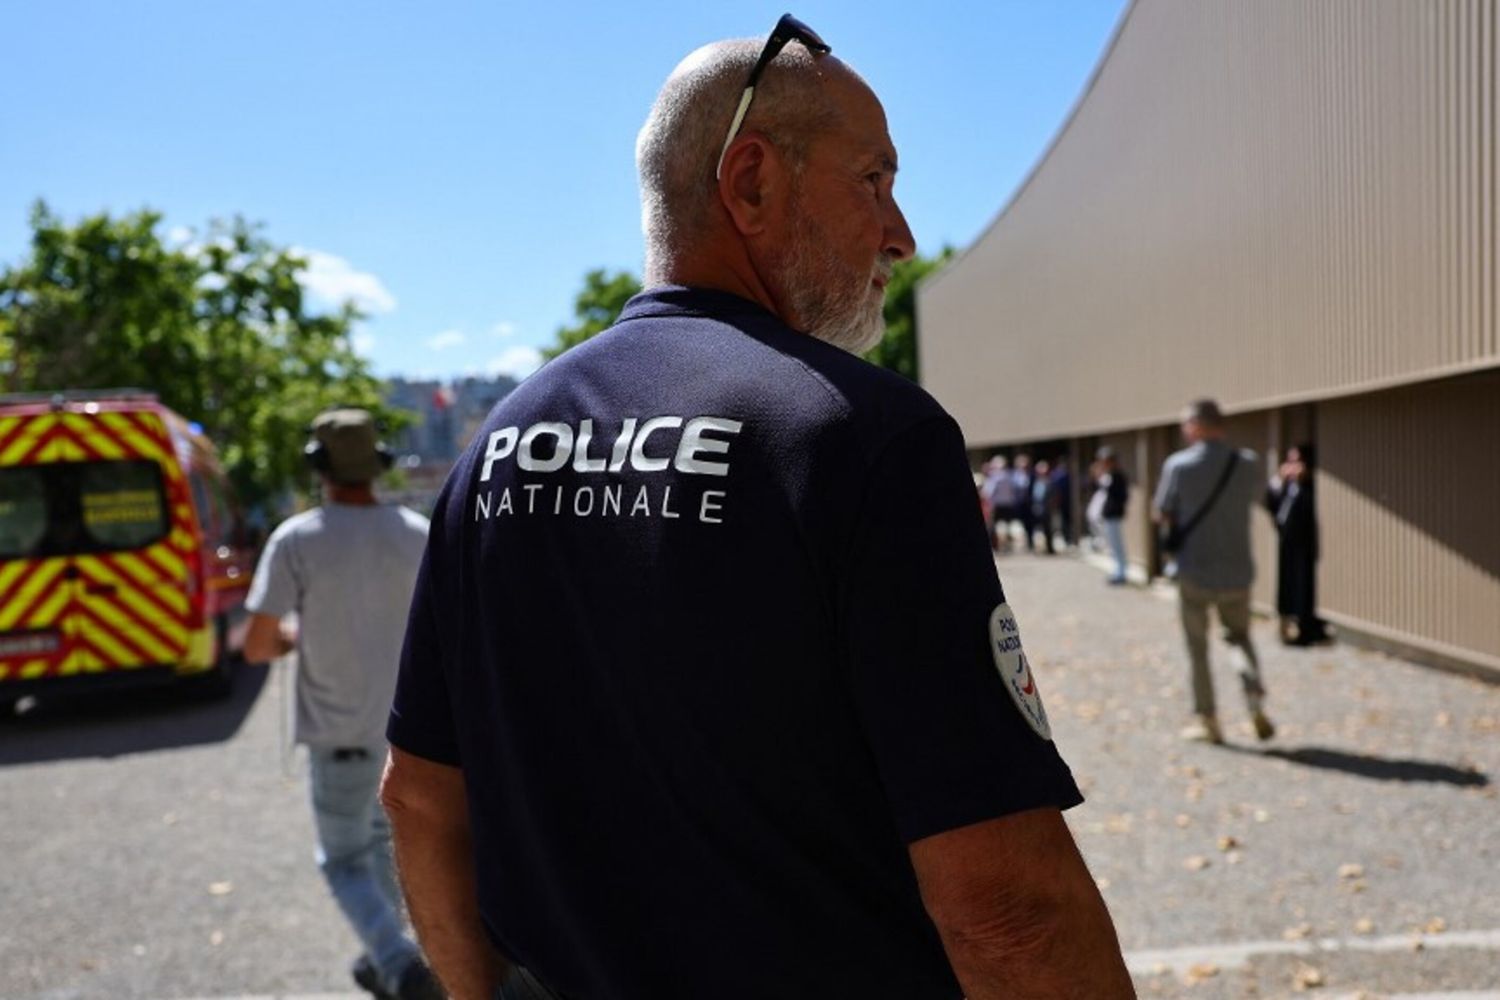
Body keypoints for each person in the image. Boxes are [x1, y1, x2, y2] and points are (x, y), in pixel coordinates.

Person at [380, 16, 1132, 1000]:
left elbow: (420, 801)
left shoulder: (494, 450)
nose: (901, 236)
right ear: (750, 181)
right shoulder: (861, 436)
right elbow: (1004, 903)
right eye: (875, 181)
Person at [242, 408, 440, 1000]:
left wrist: (289, 638)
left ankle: (398, 962)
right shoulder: (417, 533)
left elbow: (257, 645)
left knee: (344, 861)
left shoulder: (296, 539)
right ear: (376, 467)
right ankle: (391, 955)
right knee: (386, 850)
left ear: (316, 467)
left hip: (339, 739)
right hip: (410, 736)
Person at [1153, 399, 1275, 745]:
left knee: (1198, 647)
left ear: (1196, 426)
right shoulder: (1247, 463)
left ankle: (1209, 720)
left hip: (1194, 570)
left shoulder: (1178, 465)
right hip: (1237, 570)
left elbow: (1161, 512)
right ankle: (1253, 698)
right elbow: (1264, 498)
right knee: (1239, 637)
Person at [1266, 443, 1328, 645]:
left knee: (1303, 587)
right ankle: (1288, 622)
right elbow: (1272, 505)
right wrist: (1279, 481)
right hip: (1287, 543)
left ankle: (1305, 628)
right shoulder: (1287, 486)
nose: (1293, 467)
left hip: (1304, 546)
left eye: (1297, 462)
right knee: (1288, 586)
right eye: (1290, 462)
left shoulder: (1308, 487)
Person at [1089, 446, 1130, 584]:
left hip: (1114, 515)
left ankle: (1121, 573)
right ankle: (1117, 571)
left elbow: (1121, 497)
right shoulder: (1109, 476)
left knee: (1117, 546)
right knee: (1112, 546)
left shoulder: (1117, 476)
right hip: (1108, 515)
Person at [1030, 459, 1057, 554]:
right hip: (1037, 509)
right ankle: (1039, 548)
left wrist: (1051, 507)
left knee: (1047, 529)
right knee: (1037, 529)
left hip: (1046, 509)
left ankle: (1049, 548)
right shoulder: (1036, 481)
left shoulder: (1049, 482)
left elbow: (1053, 497)